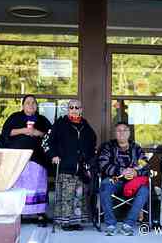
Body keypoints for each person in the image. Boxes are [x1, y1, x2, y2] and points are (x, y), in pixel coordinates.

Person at [1, 94, 52, 227]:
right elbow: (6, 132)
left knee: (37, 184)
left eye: (33, 102)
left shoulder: (42, 119)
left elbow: (51, 134)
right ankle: (20, 212)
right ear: (23, 105)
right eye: (28, 102)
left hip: (37, 157)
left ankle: (40, 213)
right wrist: (23, 130)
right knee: (20, 185)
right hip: (18, 158)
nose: (31, 105)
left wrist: (37, 133)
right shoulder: (15, 117)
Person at [47, 99, 97, 231]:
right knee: (66, 196)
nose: (74, 109)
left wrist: (88, 157)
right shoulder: (60, 123)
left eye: (77, 107)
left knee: (78, 196)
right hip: (64, 166)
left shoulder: (86, 126)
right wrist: (53, 155)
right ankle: (65, 222)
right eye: (71, 107)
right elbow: (49, 142)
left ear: (81, 109)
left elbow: (92, 142)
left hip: (80, 168)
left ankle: (76, 222)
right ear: (68, 109)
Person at [98, 122, 149, 236]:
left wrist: (136, 172)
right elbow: (103, 164)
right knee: (105, 186)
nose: (122, 133)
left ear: (129, 133)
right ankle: (111, 224)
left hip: (132, 182)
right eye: (119, 130)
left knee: (144, 190)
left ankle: (128, 224)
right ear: (115, 133)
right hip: (115, 179)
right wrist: (122, 171)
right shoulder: (108, 147)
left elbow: (145, 165)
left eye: (124, 130)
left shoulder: (136, 148)